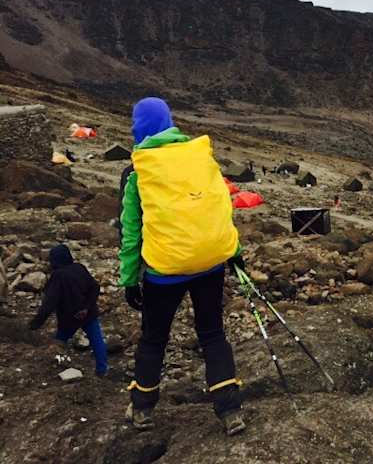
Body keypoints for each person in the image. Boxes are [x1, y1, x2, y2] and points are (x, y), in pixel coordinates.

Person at [119, 97, 246, 436]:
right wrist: (234, 251)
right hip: (210, 264)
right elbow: (218, 209)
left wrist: (129, 279)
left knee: (154, 339)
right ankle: (230, 410)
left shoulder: (138, 172)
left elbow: (132, 233)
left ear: (139, 126)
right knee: (212, 333)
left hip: (164, 272)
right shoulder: (198, 158)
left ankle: (142, 409)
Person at [29, 244, 108, 376]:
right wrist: (86, 307)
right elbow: (94, 287)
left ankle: (56, 366)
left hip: (70, 317)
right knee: (97, 341)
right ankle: (102, 370)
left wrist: (36, 323)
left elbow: (49, 303)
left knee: (59, 341)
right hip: (88, 313)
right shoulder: (80, 268)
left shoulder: (58, 276)